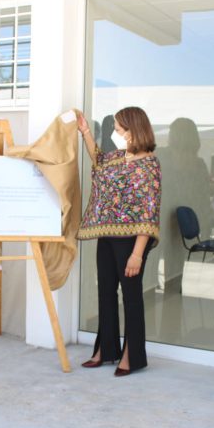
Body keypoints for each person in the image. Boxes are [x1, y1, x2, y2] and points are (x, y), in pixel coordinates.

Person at [76, 107, 161, 376]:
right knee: (105, 293)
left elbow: (149, 210)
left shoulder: (150, 165)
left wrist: (137, 254)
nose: (116, 132)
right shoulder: (116, 158)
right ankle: (106, 350)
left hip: (134, 240)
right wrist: (86, 132)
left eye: (119, 128)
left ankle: (132, 357)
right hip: (108, 235)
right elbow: (98, 160)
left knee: (132, 297)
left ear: (134, 129)